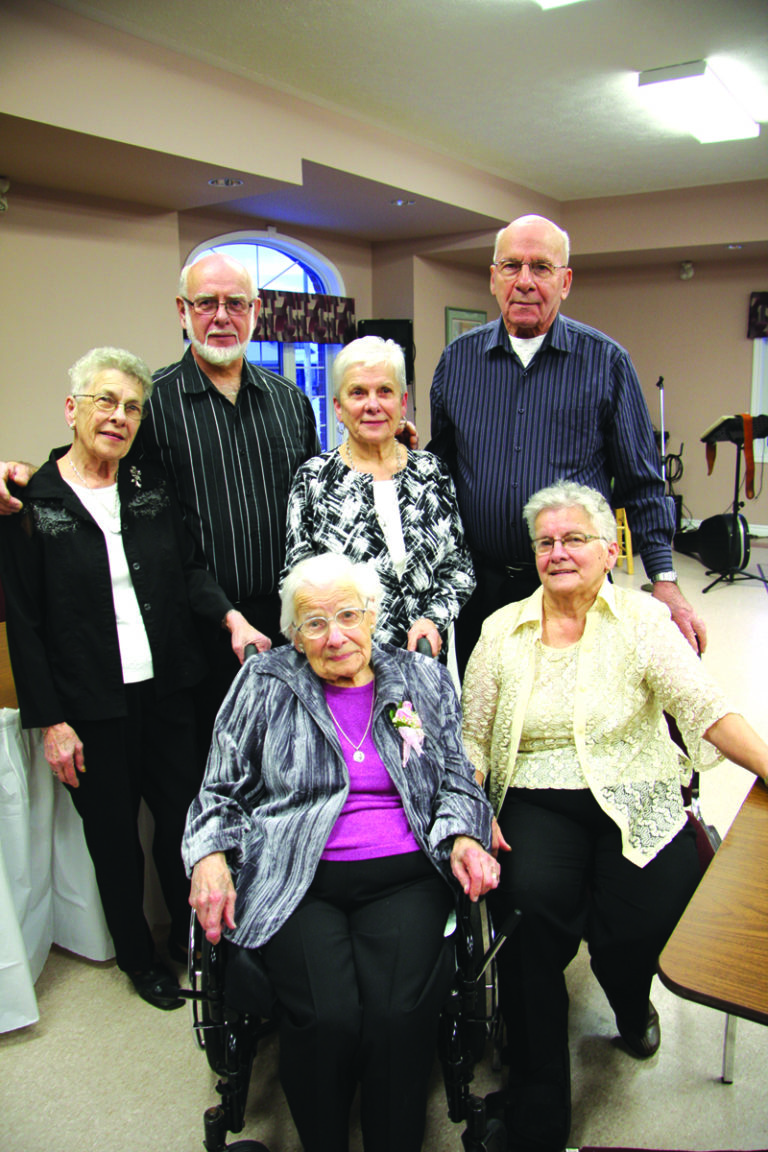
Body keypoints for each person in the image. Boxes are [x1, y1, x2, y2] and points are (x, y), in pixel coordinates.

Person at [461, 480, 768, 1152]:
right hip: (536, 795)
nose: (558, 553)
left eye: (574, 539)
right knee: (531, 915)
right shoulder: (501, 629)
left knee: (651, 918)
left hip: (637, 788)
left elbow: (705, 707)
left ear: (608, 550)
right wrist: (471, 811)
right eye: (546, 542)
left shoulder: (642, 620)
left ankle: (628, 995)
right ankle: (538, 1118)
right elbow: (473, 740)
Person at [184, 552, 498, 1152]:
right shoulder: (264, 681)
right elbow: (218, 789)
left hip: (404, 871)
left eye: (349, 615)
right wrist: (209, 858)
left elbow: (458, 777)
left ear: (373, 614)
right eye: (315, 623)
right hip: (294, 872)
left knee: (396, 1017)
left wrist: (463, 834)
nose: (335, 637)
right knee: (326, 1018)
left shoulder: (420, 678)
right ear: (293, 635)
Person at [0, 347, 246, 1009]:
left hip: (169, 690)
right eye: (105, 401)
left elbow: (188, 570)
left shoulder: (149, 485)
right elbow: (24, 623)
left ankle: (193, 940)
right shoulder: (30, 502)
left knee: (183, 823)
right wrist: (52, 723)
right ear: (71, 409)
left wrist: (230, 618)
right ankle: (138, 959)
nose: (119, 416)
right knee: (113, 842)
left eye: (132, 407)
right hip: (89, 707)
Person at [0, 253, 320, 741]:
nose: (221, 317)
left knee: (293, 758)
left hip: (287, 624)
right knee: (209, 768)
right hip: (191, 633)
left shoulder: (290, 401)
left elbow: (318, 498)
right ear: (182, 311)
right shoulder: (151, 404)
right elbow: (92, 465)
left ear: (255, 311)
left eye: (235, 303)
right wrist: (23, 474)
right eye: (206, 303)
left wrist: (386, 447)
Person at [429, 213, 706, 675]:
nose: (524, 281)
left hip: (574, 588)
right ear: (493, 278)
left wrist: (665, 579)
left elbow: (641, 483)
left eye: (541, 267)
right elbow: (441, 470)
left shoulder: (607, 363)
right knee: (484, 707)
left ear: (566, 281)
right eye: (511, 266)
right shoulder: (457, 361)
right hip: (481, 588)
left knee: (572, 708)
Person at [283, 335, 475, 656]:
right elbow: (298, 586)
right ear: (338, 407)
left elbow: (459, 569)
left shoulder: (432, 472)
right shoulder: (314, 480)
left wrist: (432, 619)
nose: (373, 405)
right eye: (358, 392)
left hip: (423, 660)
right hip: (346, 661)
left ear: (402, 403)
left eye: (385, 391)